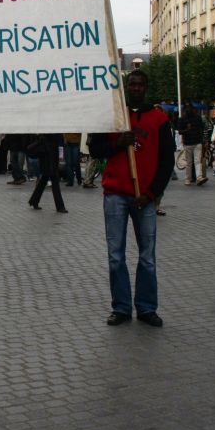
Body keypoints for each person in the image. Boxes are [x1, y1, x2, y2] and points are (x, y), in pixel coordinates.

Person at [88, 69, 174, 327]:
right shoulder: (114, 116)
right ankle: (122, 307)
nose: (136, 88)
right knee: (116, 255)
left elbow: (166, 162)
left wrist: (151, 194)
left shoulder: (159, 120)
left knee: (147, 256)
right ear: (126, 87)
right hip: (115, 194)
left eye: (140, 85)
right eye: (132, 84)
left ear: (146, 88)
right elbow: (94, 149)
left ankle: (147, 308)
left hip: (143, 198)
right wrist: (116, 144)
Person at [27, 134, 67, 213]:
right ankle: (60, 206)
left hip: (48, 154)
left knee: (44, 179)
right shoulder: (49, 129)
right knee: (54, 179)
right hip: (49, 154)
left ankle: (34, 200)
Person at [176, 101, 206, 186]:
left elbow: (201, 129)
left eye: (189, 108)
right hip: (188, 142)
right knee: (189, 162)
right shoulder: (182, 119)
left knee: (197, 160)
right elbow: (179, 131)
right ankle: (188, 178)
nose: (188, 109)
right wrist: (187, 130)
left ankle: (199, 177)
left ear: (193, 108)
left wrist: (202, 141)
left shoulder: (197, 117)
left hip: (197, 142)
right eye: (187, 108)